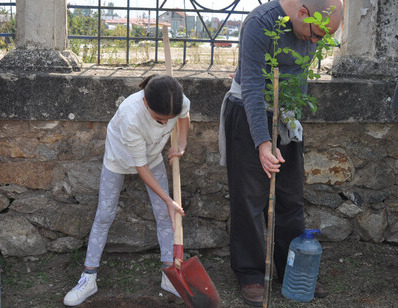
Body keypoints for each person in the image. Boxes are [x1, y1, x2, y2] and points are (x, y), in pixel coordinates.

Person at [218, 0, 343, 306]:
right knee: (249, 199)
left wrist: (290, 121)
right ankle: (249, 273)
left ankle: (291, 268)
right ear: (302, 13)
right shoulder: (261, 23)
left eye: (322, 39)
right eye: (315, 35)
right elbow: (251, 86)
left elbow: (298, 80)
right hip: (250, 114)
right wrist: (262, 142)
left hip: (286, 115)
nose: (315, 43)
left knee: (290, 197)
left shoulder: (311, 29)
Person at [63, 74, 190, 306]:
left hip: (152, 157)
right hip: (119, 159)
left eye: (168, 120)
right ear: (145, 104)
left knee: (165, 214)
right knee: (104, 215)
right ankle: (88, 278)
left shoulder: (177, 102)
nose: (164, 123)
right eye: (159, 119)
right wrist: (168, 199)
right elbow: (140, 167)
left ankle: (169, 275)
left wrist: (181, 145)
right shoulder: (131, 114)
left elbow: (184, 116)